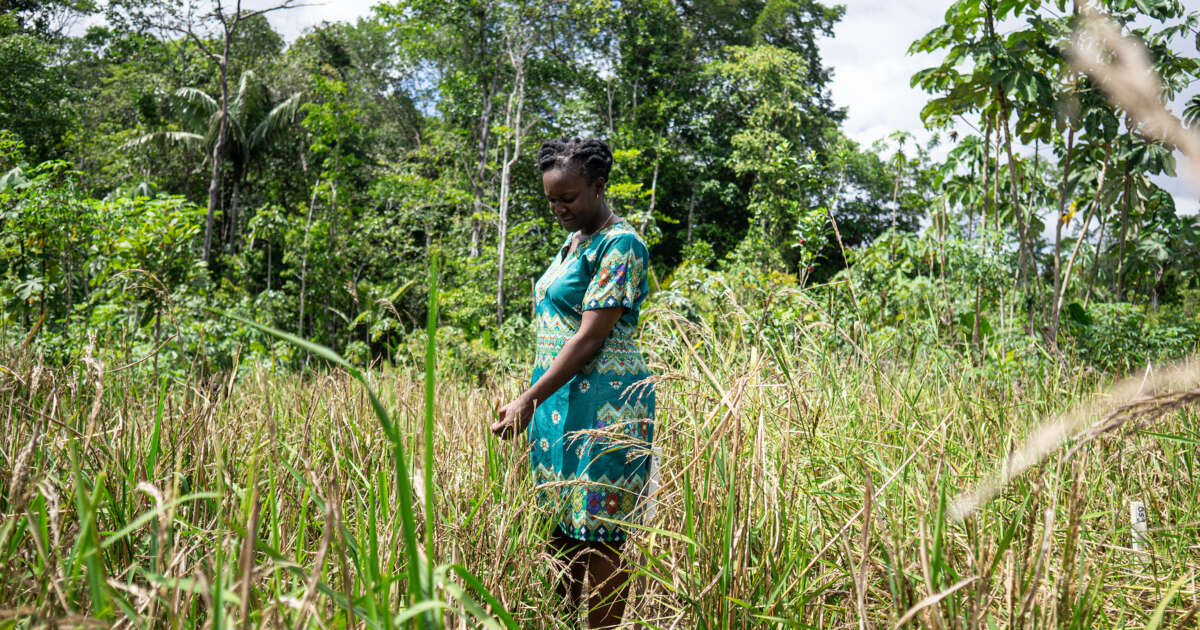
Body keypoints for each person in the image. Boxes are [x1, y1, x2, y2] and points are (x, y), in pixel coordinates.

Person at [491, 137, 656, 628]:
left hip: (607, 405)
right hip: (557, 406)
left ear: (599, 186)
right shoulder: (574, 243)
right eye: (551, 200)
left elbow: (588, 340)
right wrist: (536, 399)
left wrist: (528, 397)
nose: (558, 208)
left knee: (602, 531)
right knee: (559, 524)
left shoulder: (620, 243)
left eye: (568, 197)